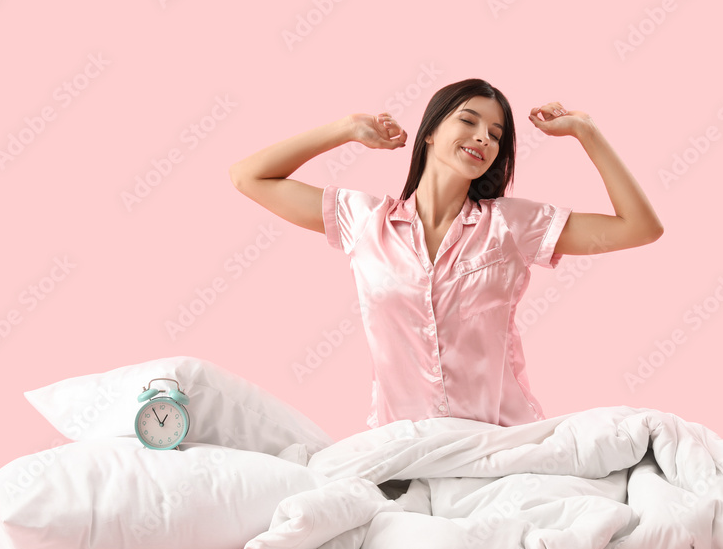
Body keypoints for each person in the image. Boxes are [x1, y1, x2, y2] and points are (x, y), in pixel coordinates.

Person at [229, 78, 663, 429]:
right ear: (431, 131)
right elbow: (249, 176)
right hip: (404, 451)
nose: (483, 139)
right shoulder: (364, 221)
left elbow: (640, 228)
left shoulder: (511, 225)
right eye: (469, 122)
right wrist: (345, 129)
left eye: (495, 135)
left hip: (503, 445)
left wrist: (585, 130)